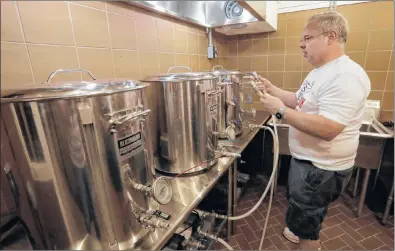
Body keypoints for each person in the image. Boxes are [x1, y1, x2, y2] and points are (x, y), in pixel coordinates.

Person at [256, 11, 371, 250]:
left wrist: (279, 112)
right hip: (310, 163)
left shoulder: (345, 75)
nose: (301, 44)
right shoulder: (320, 71)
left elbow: (329, 128)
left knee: (308, 225)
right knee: (304, 213)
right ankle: (301, 228)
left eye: (307, 38)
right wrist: (274, 90)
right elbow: (298, 100)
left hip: (320, 169)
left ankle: (309, 242)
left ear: (331, 36)